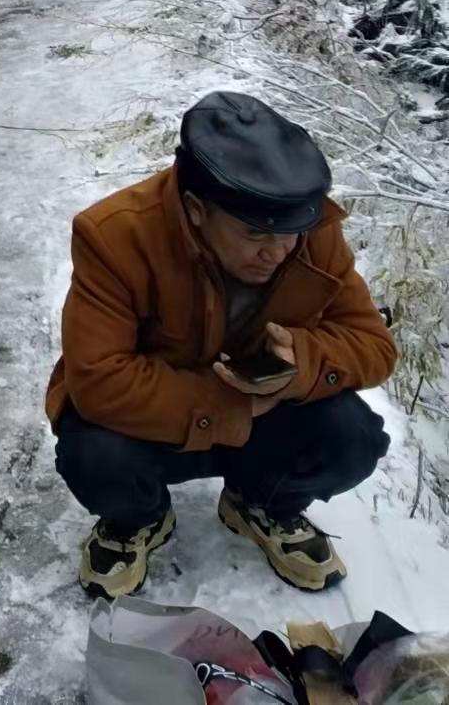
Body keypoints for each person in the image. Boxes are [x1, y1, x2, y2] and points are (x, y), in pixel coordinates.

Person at [45, 91, 396, 601]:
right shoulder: (115, 236)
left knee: (354, 437)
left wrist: (303, 364)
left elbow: (372, 345)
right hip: (155, 426)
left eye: (291, 233)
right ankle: (138, 519)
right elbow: (100, 377)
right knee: (93, 454)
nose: (278, 252)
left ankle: (259, 502)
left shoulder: (307, 230)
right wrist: (236, 403)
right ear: (195, 210)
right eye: (255, 233)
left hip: (263, 419)